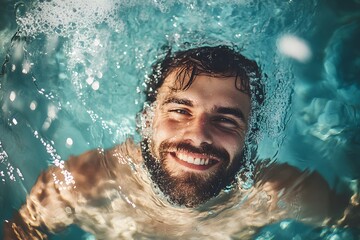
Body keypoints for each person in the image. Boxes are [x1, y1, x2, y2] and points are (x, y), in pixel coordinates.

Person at [3, 45, 357, 239]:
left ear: (252, 137)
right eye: (179, 111)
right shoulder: (80, 187)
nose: (200, 134)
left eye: (226, 119)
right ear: (146, 121)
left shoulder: (278, 195)